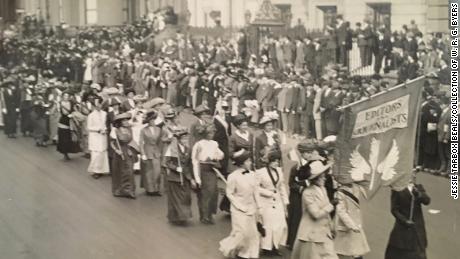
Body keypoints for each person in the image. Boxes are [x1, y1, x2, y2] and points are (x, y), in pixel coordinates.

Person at [291, 160, 338, 259]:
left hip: (324, 233)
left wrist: (331, 227)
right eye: (322, 176)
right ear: (316, 178)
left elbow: (326, 214)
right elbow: (315, 214)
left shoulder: (323, 189)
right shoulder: (308, 193)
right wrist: (331, 205)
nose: (325, 178)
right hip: (311, 235)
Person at [219, 150, 261, 259]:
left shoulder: (253, 175)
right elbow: (230, 193)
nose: (250, 163)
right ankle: (228, 248)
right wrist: (239, 206)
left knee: (252, 233)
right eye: (248, 161)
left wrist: (259, 206)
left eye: (250, 160)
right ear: (241, 163)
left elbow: (256, 191)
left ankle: (248, 254)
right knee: (241, 233)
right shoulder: (233, 177)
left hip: (251, 208)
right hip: (238, 209)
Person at [286, 140, 324, 250]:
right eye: (307, 153)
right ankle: (294, 244)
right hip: (297, 197)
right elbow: (291, 183)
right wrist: (301, 188)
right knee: (297, 219)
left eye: (310, 152)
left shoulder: (313, 165)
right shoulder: (296, 166)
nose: (309, 155)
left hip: (310, 195)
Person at [385, 176, 431, 259]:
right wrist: (404, 221)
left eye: (413, 174)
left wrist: (418, 194)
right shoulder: (397, 189)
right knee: (399, 253)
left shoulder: (418, 187)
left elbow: (427, 201)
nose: (412, 176)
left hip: (417, 227)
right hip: (403, 229)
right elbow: (394, 210)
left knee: (418, 253)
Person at [255, 149, 289, 256]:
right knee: (267, 225)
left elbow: (282, 186)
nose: (276, 163)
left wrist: (285, 201)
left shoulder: (279, 171)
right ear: (269, 161)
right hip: (266, 202)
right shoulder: (260, 172)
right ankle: (266, 248)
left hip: (277, 201)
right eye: (274, 161)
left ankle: (275, 246)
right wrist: (267, 193)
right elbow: (256, 188)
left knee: (279, 225)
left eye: (278, 161)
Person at [191, 123, 224, 224]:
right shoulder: (199, 144)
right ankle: (204, 215)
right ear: (205, 133)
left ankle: (210, 214)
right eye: (209, 133)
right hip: (203, 170)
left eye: (213, 132)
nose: (211, 134)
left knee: (214, 192)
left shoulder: (214, 143)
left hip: (212, 169)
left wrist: (216, 157)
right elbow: (195, 161)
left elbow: (221, 154)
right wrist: (197, 178)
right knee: (205, 193)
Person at [163, 129, 193, 225]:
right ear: (179, 139)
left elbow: (189, 163)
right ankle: (179, 217)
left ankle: (184, 215)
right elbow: (167, 162)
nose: (185, 141)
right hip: (175, 177)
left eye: (186, 139)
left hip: (185, 176)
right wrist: (176, 168)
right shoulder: (172, 149)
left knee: (186, 197)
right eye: (183, 139)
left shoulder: (188, 149)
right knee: (176, 198)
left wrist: (191, 177)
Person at [334, 183, 370, 259]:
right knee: (343, 254)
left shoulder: (358, 187)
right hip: (346, 227)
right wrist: (352, 226)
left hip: (357, 225)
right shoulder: (339, 192)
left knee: (358, 253)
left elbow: (368, 194)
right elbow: (341, 212)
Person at [139, 110, 167, 196]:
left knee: (157, 171)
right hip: (147, 151)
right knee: (148, 172)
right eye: (151, 120)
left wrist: (168, 138)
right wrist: (142, 154)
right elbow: (141, 142)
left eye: (153, 120)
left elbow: (162, 140)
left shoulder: (159, 129)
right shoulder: (143, 130)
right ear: (148, 122)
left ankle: (157, 188)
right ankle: (150, 189)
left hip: (156, 152)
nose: (153, 122)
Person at [110, 112, 138, 199]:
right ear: (120, 122)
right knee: (120, 171)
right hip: (120, 152)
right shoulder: (115, 131)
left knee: (129, 171)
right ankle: (120, 190)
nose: (126, 122)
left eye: (127, 120)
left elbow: (131, 140)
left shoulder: (130, 129)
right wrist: (116, 150)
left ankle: (130, 191)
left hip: (128, 151)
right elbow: (112, 142)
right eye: (124, 120)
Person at [86, 96, 110, 179]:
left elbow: (107, 124)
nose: (98, 106)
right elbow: (89, 127)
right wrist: (98, 130)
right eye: (97, 104)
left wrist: (106, 129)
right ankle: (95, 170)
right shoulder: (91, 115)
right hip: (95, 136)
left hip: (103, 136)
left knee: (103, 152)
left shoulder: (105, 114)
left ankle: (102, 170)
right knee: (96, 153)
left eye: (100, 104)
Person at [57, 92, 82, 160]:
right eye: (65, 96)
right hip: (63, 121)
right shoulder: (59, 103)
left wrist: (73, 115)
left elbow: (76, 109)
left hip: (70, 121)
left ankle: (67, 152)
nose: (66, 97)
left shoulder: (71, 103)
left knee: (69, 137)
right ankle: (65, 153)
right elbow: (60, 112)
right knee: (63, 138)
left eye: (67, 96)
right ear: (62, 96)